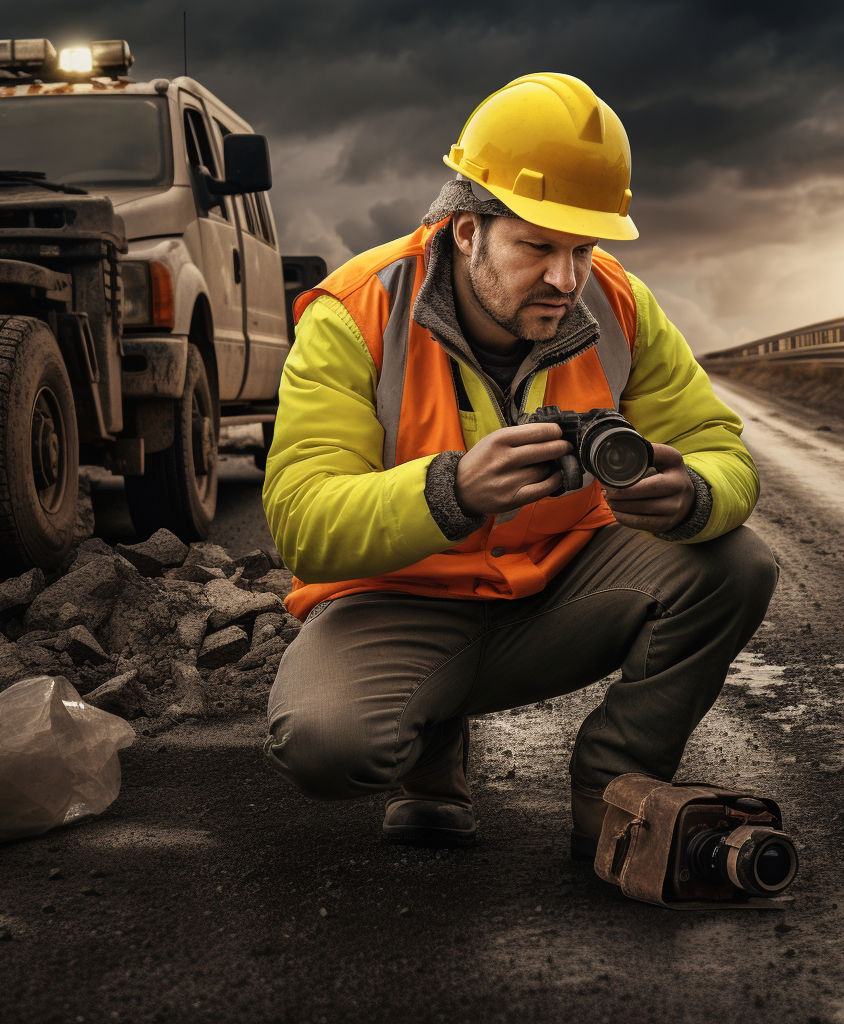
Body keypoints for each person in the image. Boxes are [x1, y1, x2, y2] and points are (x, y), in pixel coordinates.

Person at [261, 73, 778, 858]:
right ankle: (430, 746)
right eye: (538, 246)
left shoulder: (620, 304)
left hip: (564, 587)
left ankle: (614, 793)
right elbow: (302, 524)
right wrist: (452, 491)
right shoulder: (355, 314)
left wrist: (695, 494)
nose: (567, 280)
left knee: (735, 563)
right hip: (401, 598)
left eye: (583, 249)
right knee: (329, 744)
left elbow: (718, 444)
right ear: (465, 229)